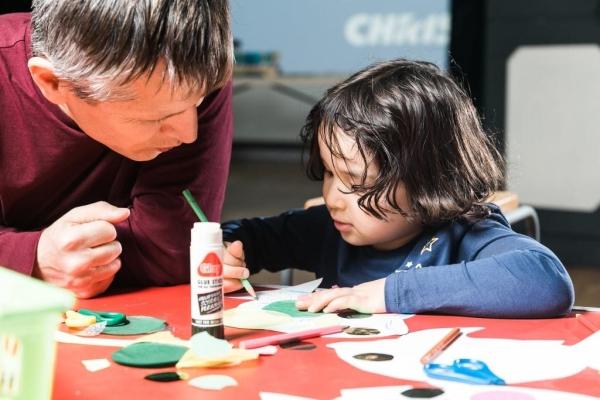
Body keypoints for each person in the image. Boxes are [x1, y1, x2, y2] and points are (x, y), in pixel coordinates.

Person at [221, 59, 574, 318]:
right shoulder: (327, 229)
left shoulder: (464, 233)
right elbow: (243, 234)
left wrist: (389, 294)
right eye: (328, 173)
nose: (332, 198)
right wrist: (225, 256)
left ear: (429, 178)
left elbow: (545, 280)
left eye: (355, 181)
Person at [0, 0, 233, 298]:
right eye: (156, 118)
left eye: (197, 103)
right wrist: (33, 258)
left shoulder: (190, 68)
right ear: (53, 82)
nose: (189, 134)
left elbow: (172, 251)